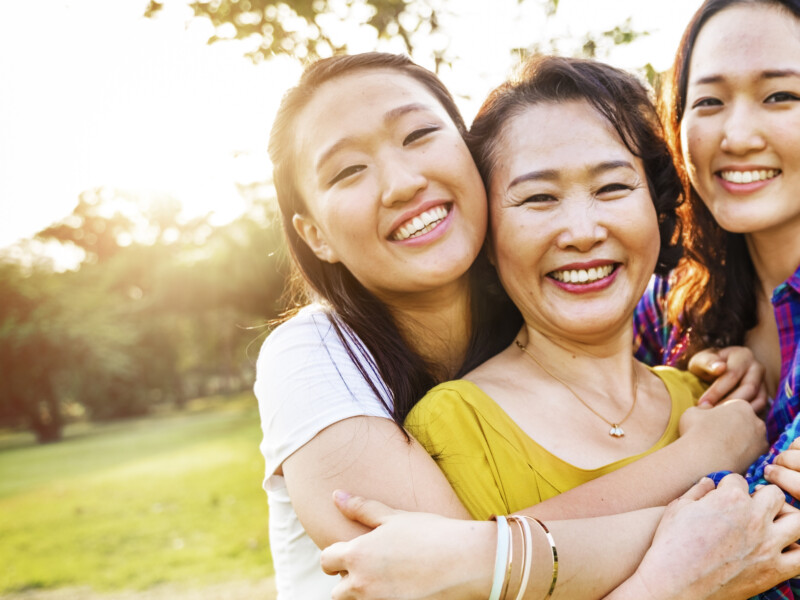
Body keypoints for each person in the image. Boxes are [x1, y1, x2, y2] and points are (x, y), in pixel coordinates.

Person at [257, 52, 776, 599]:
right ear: (314, 234)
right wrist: (709, 476)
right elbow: (439, 576)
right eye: (347, 170)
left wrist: (709, 363)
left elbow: (472, 555)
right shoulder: (313, 354)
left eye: (418, 135)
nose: (403, 183)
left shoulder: (550, 310)